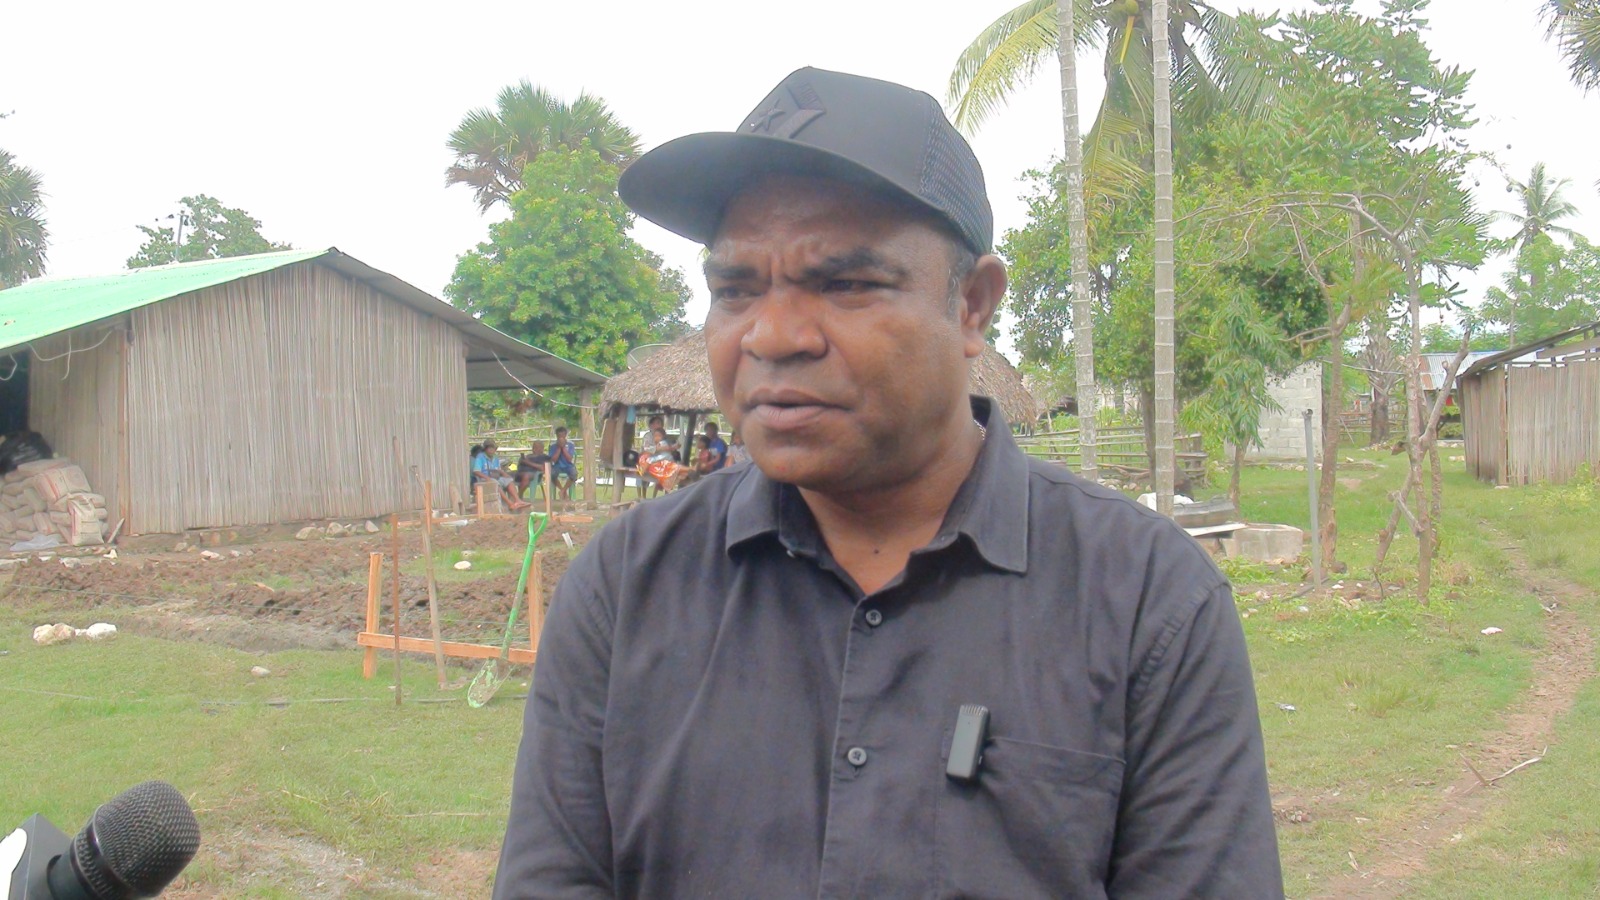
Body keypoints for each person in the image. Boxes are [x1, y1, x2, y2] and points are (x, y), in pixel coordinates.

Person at [495, 68, 1279, 899]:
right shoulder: (626, 588)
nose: (773, 334)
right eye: (735, 290)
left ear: (972, 305)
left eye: (845, 284)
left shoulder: (1145, 598)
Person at [472, 440, 530, 512]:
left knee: (509, 481)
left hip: (496, 477)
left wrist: (505, 474)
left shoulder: (495, 457)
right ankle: (510, 504)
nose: (491, 450)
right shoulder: (480, 457)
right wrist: (487, 478)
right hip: (484, 479)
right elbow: (476, 471)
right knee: (495, 483)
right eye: (489, 448)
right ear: (485, 449)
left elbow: (499, 470)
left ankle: (518, 501)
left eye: (493, 448)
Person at [635, 426, 686, 494]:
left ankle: (642, 470)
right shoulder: (662, 443)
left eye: (658, 436)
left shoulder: (661, 443)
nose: (656, 438)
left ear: (663, 436)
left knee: (649, 460)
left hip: (664, 458)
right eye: (655, 436)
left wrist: (672, 447)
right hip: (665, 460)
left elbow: (658, 449)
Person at [547, 426, 578, 500]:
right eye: (559, 436)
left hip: (568, 465)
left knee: (574, 474)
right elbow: (553, 460)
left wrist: (563, 448)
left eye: (562, 436)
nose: (561, 438)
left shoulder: (570, 444)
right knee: (552, 475)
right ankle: (562, 490)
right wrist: (559, 448)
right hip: (557, 465)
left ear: (565, 435)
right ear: (556, 436)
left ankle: (563, 491)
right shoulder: (553, 445)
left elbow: (569, 459)